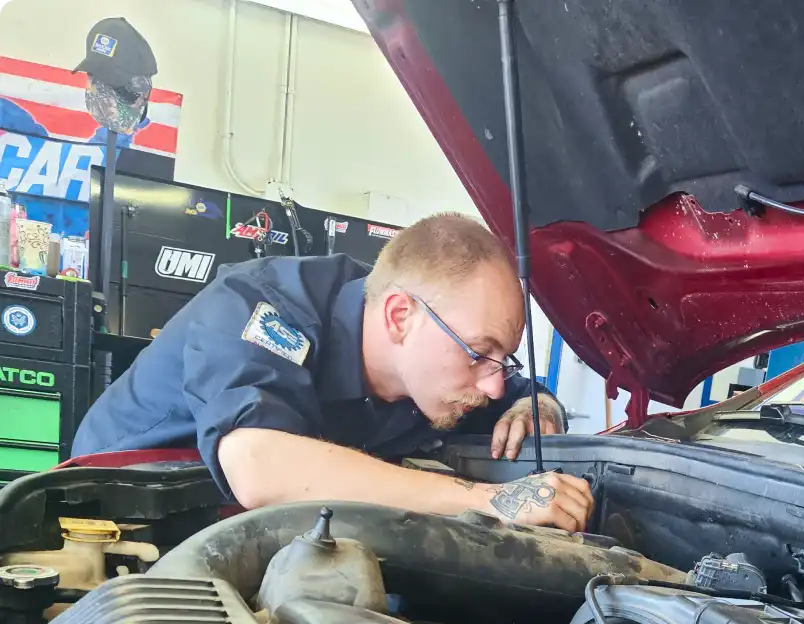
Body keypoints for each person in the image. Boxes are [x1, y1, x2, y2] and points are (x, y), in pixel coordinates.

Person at [73, 213, 594, 531]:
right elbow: (259, 465)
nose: (493, 383)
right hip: (121, 513)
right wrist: (491, 501)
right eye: (480, 353)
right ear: (399, 316)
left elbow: (519, 394)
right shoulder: (261, 307)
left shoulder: (440, 370)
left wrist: (537, 404)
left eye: (504, 359)